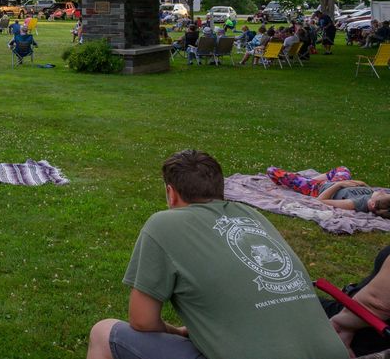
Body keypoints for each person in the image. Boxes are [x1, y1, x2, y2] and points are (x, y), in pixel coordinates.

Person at [86, 149, 348, 359]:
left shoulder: (163, 224)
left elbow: (142, 321)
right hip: (333, 352)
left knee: (103, 332)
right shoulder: (252, 216)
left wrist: (177, 332)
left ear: (171, 193)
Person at [323, 246, 390, 356]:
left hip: (364, 331)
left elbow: (378, 303)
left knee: (290, 306)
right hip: (356, 315)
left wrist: (340, 325)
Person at [266, 166, 390, 216]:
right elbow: (369, 189)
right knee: (343, 169)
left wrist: (339, 185)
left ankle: (306, 182)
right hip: (338, 182)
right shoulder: (373, 197)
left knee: (272, 171)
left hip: (319, 188)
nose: (381, 191)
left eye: (382, 193)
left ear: (373, 204)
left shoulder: (356, 203)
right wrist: (362, 184)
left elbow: (321, 200)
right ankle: (307, 180)